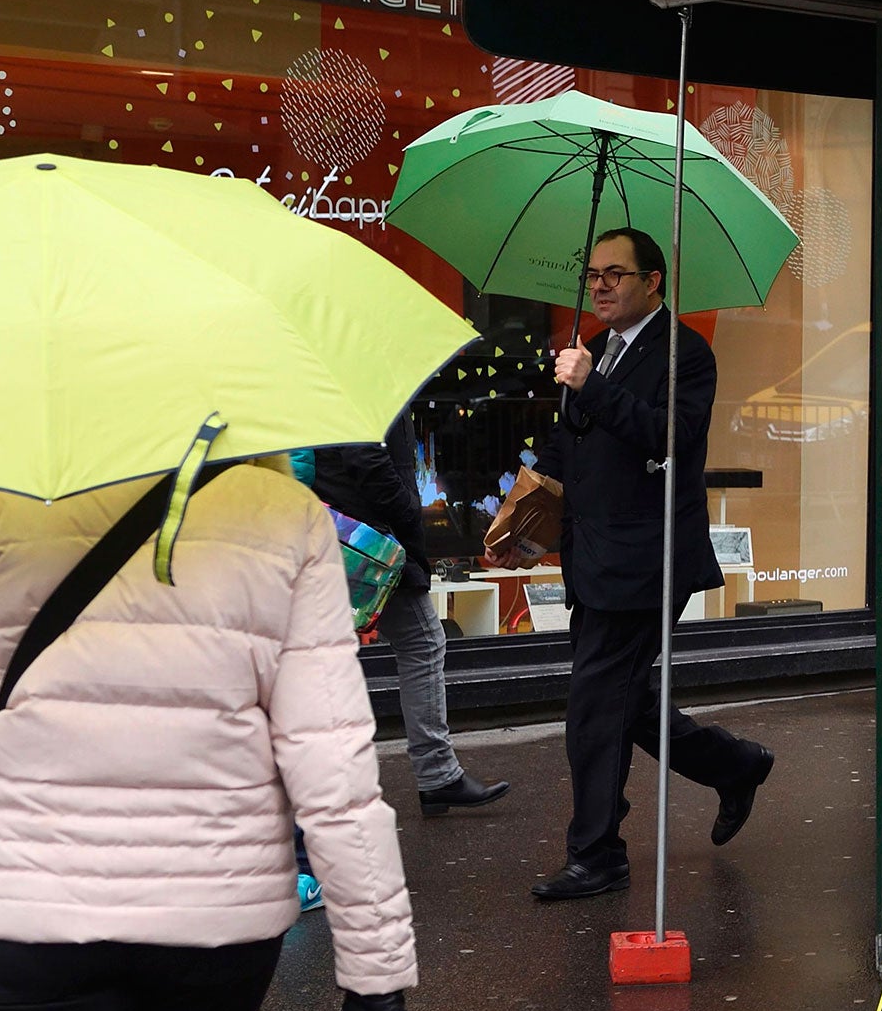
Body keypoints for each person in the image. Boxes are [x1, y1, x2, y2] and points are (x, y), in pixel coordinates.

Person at [0, 463, 415, 1011]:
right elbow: (332, 767)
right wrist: (375, 970)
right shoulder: (284, 513)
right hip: (213, 906)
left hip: (28, 900)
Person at [503, 227, 773, 903]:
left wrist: (591, 387)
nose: (599, 285)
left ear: (653, 282)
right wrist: (523, 518)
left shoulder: (686, 353)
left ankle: (596, 854)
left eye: (615, 274)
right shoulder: (589, 351)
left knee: (596, 704)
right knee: (627, 698)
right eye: (592, 274)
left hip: (648, 559)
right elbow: (570, 454)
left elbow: (668, 436)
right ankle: (735, 764)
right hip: (592, 557)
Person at [298, 416, 511, 817]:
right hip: (370, 542)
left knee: (325, 657)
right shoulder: (367, 372)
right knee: (423, 642)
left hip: (345, 533)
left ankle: (321, 783)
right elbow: (366, 459)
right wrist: (409, 512)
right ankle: (437, 775)